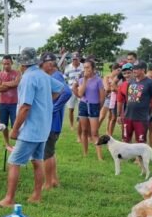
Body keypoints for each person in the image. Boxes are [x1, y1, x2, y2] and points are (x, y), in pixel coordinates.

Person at [0, 47, 52, 207]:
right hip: (43, 127)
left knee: (14, 162)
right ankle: (36, 195)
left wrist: (15, 129)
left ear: (21, 63)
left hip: (31, 129)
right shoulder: (44, 76)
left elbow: (25, 106)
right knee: (37, 160)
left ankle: (9, 199)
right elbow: (61, 90)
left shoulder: (28, 78)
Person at [41, 53, 72, 190]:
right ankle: (54, 180)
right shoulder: (53, 76)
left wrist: (53, 108)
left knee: (46, 153)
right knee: (51, 152)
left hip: (52, 122)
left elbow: (67, 92)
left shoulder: (56, 76)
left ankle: (47, 183)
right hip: (54, 123)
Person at [118, 61, 152, 144]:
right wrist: (121, 114)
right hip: (128, 116)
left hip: (141, 118)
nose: (134, 71)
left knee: (140, 142)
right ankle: (126, 156)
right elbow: (127, 98)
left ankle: (139, 157)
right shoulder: (131, 81)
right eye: (134, 69)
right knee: (125, 139)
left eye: (137, 69)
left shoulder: (150, 83)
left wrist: (150, 112)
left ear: (143, 70)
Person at [72, 59, 105, 159]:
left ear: (93, 69)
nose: (86, 69)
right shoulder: (82, 80)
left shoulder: (98, 80)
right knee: (84, 130)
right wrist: (85, 80)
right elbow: (80, 94)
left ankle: (99, 157)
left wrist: (99, 107)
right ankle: (85, 153)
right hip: (83, 105)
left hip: (94, 106)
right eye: (84, 67)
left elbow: (102, 97)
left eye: (88, 67)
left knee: (94, 132)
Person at [0, 55, 20, 151]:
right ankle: (7, 143)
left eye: (8, 64)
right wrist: (11, 84)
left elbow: (16, 83)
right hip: (3, 103)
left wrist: (4, 83)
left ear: (12, 63)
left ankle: (18, 145)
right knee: (3, 125)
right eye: (4, 64)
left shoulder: (17, 73)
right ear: (2, 64)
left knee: (16, 124)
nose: (6, 66)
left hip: (14, 103)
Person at [64, 53, 84, 136]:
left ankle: (80, 125)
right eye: (73, 59)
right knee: (71, 109)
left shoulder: (83, 66)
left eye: (76, 59)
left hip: (80, 90)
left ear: (79, 59)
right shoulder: (68, 67)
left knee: (81, 108)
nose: (75, 60)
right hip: (71, 89)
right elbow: (64, 77)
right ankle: (72, 125)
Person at [99, 63, 121, 138]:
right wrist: (114, 87)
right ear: (114, 70)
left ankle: (108, 132)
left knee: (111, 117)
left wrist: (114, 88)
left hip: (114, 98)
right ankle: (95, 130)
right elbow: (107, 88)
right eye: (118, 70)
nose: (119, 71)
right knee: (102, 116)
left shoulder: (119, 79)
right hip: (107, 98)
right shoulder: (107, 77)